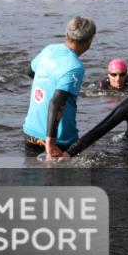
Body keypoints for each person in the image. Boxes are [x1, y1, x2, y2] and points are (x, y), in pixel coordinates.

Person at [23, 16, 96, 159]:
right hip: (59, 140)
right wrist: (51, 142)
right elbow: (56, 103)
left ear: (66, 34)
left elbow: (30, 71)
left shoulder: (49, 50)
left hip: (30, 133)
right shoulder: (75, 67)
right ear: (90, 41)